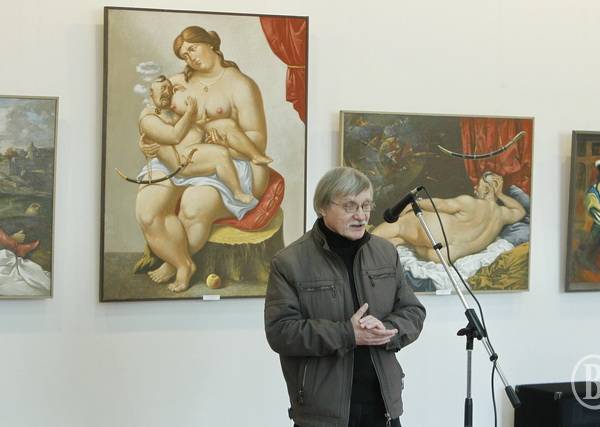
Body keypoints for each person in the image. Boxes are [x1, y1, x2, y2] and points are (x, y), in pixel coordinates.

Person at [264, 167, 425, 427]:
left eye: (366, 205)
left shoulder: (386, 253)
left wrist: (386, 329)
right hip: (321, 412)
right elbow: (281, 332)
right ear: (323, 207)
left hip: (383, 405)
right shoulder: (289, 262)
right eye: (350, 206)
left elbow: (413, 312)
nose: (361, 215)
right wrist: (347, 334)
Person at [135, 26, 272, 292]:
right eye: (185, 55)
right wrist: (147, 140)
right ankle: (178, 258)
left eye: (193, 48)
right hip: (180, 156)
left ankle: (178, 263)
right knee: (148, 209)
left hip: (231, 164)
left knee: (194, 205)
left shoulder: (241, 85)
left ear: (210, 43)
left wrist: (222, 144)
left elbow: (257, 139)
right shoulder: (177, 82)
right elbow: (155, 114)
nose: (190, 58)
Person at [140, 75, 259, 205]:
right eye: (163, 88)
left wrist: (200, 125)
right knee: (221, 153)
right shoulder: (148, 120)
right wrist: (189, 112)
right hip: (182, 162)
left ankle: (255, 155)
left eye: (169, 88)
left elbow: (186, 126)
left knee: (227, 125)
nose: (167, 93)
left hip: (193, 144)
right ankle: (238, 193)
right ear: (151, 92)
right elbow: (174, 137)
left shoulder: (166, 110)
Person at [372, 171, 526, 262]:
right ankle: (403, 240)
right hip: (444, 255)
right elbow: (521, 211)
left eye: (478, 185)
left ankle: (366, 243)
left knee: (400, 224)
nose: (475, 187)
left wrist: (413, 203)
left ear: (486, 190)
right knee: (404, 239)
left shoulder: (471, 202)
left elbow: (440, 205)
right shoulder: (503, 214)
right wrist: (500, 194)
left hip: (435, 232)